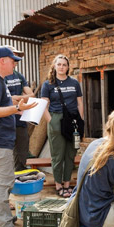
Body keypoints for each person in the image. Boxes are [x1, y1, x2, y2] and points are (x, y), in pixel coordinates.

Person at [0, 46, 37, 227]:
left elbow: (3, 102)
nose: (15, 64)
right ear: (2, 60)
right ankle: (3, 225)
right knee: (4, 182)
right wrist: (15, 109)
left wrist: (18, 106)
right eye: (13, 60)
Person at [40, 54, 84, 198]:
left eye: (64, 65)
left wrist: (81, 121)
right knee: (57, 156)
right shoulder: (48, 84)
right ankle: (58, 184)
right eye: (59, 64)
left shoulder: (74, 83)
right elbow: (44, 106)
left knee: (70, 154)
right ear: (54, 66)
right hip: (56, 118)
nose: (61, 67)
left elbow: (80, 103)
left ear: (68, 67)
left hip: (72, 120)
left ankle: (67, 183)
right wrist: (51, 121)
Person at [3, 45, 35, 171]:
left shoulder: (19, 76)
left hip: (21, 119)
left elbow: (31, 95)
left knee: (22, 150)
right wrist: (17, 98)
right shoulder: (1, 76)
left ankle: (20, 176)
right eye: (14, 56)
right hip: (6, 120)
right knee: (7, 151)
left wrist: (16, 97)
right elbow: (4, 98)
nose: (16, 60)